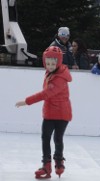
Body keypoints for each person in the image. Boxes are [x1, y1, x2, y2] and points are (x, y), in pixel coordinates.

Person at [15, 46, 72, 179]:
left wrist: (26, 101)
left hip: (62, 114)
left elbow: (45, 94)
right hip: (49, 112)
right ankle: (46, 165)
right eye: (48, 63)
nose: (50, 66)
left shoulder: (60, 78)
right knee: (45, 138)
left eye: (53, 63)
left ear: (58, 63)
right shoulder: (49, 73)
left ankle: (59, 162)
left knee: (58, 138)